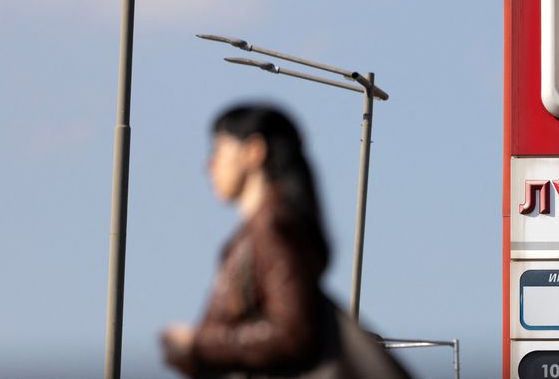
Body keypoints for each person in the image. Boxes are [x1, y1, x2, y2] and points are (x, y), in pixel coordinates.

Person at [161, 104, 410, 379]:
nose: (209, 164)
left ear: (254, 151)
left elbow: (292, 335)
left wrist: (199, 344)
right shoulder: (264, 227)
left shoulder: (272, 226)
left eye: (219, 148)